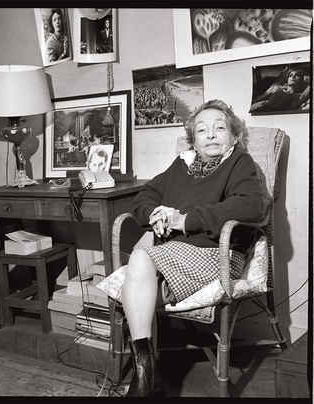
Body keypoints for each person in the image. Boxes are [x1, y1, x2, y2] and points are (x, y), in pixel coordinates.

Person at [121, 99, 266, 397]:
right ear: (194, 141)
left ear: (233, 136)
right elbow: (144, 196)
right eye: (201, 130)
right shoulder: (182, 164)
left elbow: (250, 204)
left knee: (136, 276)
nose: (210, 134)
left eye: (219, 128)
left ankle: (145, 380)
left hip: (217, 254)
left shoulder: (239, 162)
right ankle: (147, 378)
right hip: (172, 253)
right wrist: (155, 214)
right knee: (140, 280)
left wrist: (186, 221)